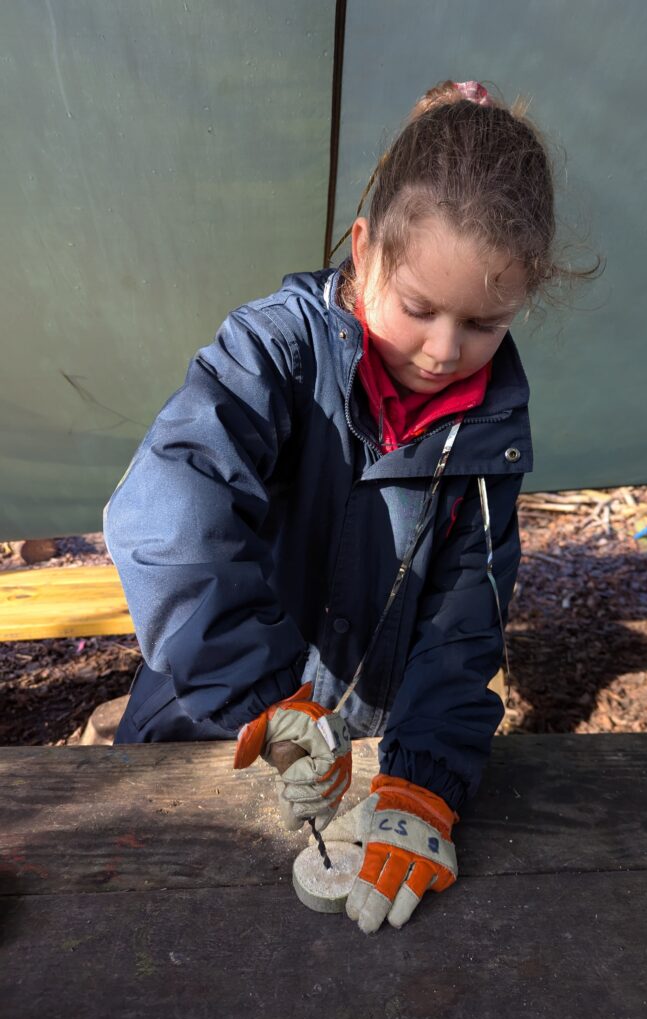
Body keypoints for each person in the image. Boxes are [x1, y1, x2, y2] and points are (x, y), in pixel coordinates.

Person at [104, 80, 586, 934]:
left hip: (357, 754)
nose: (444, 350)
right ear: (362, 251)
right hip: (206, 724)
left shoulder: (489, 432)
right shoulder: (272, 352)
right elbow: (169, 513)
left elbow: (462, 618)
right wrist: (264, 691)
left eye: (484, 322)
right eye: (418, 309)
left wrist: (424, 779)